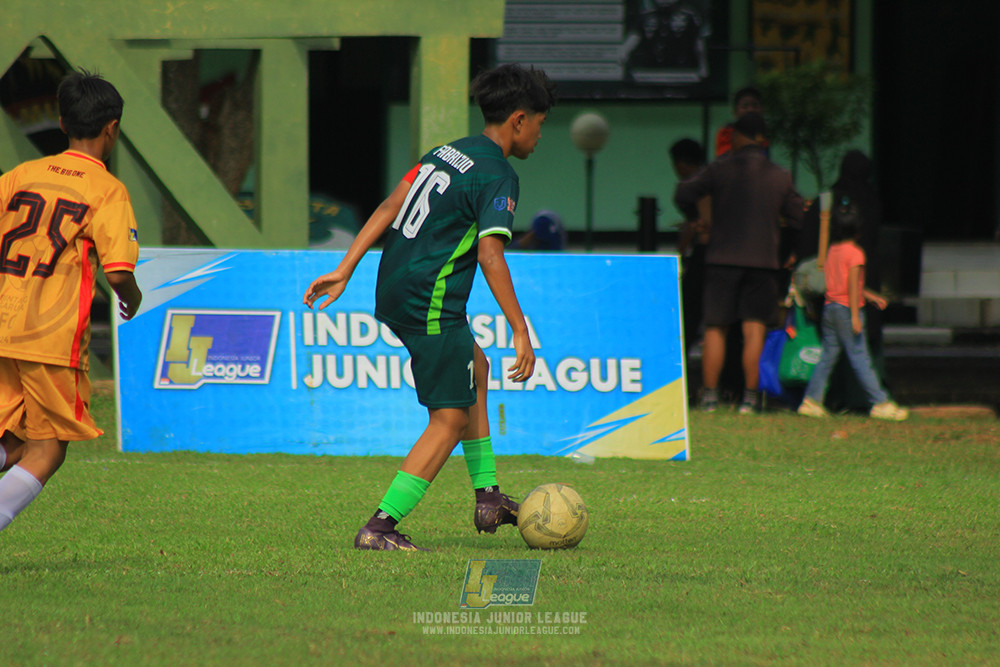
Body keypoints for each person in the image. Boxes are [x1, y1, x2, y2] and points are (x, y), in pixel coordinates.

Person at [303, 63, 556, 551]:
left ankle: (489, 497)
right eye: (541, 125)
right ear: (520, 120)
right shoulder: (498, 174)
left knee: (476, 365)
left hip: (396, 289)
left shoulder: (446, 153)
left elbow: (387, 207)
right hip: (430, 303)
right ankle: (380, 526)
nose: (540, 137)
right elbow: (490, 254)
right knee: (450, 418)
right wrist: (520, 330)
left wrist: (345, 268)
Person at [0, 70, 142, 532]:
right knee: (49, 447)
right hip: (50, 336)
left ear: (61, 123)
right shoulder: (107, 190)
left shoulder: (20, 175)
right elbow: (119, 271)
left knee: (15, 435)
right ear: (112, 128)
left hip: (3, 323)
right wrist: (132, 298)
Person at [674, 112, 803, 414]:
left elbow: (683, 192)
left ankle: (709, 396)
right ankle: (750, 398)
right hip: (763, 262)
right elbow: (799, 217)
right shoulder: (779, 176)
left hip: (721, 259)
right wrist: (786, 248)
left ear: (736, 137)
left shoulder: (720, 170)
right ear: (763, 140)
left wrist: (697, 218)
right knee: (754, 329)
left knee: (715, 328)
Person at [797, 214, 908, 421]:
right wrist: (856, 316)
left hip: (830, 308)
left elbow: (844, 282)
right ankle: (880, 402)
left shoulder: (833, 251)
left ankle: (811, 400)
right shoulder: (856, 253)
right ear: (858, 231)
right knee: (860, 357)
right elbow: (852, 286)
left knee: (828, 356)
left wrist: (873, 297)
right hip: (848, 309)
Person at [669, 138, 708, 357]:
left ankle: (681, 355)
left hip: (701, 253)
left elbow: (697, 222)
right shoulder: (710, 180)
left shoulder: (693, 186)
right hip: (713, 253)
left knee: (690, 311)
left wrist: (681, 251)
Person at [714, 86, 764, 157]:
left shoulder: (763, 133)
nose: (750, 110)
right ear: (735, 112)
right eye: (745, 106)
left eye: (755, 105)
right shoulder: (726, 132)